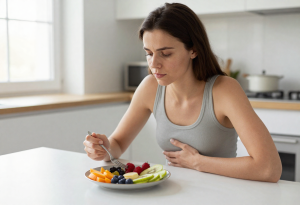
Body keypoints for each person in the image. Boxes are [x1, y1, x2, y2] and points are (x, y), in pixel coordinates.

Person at [83, 3, 282, 182]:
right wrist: (103, 149)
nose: (154, 64)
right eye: (149, 53)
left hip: (222, 194)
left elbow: (269, 168)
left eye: (166, 53)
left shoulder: (224, 90)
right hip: (176, 191)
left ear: (193, 50)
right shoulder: (150, 87)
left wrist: (198, 162)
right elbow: (117, 144)